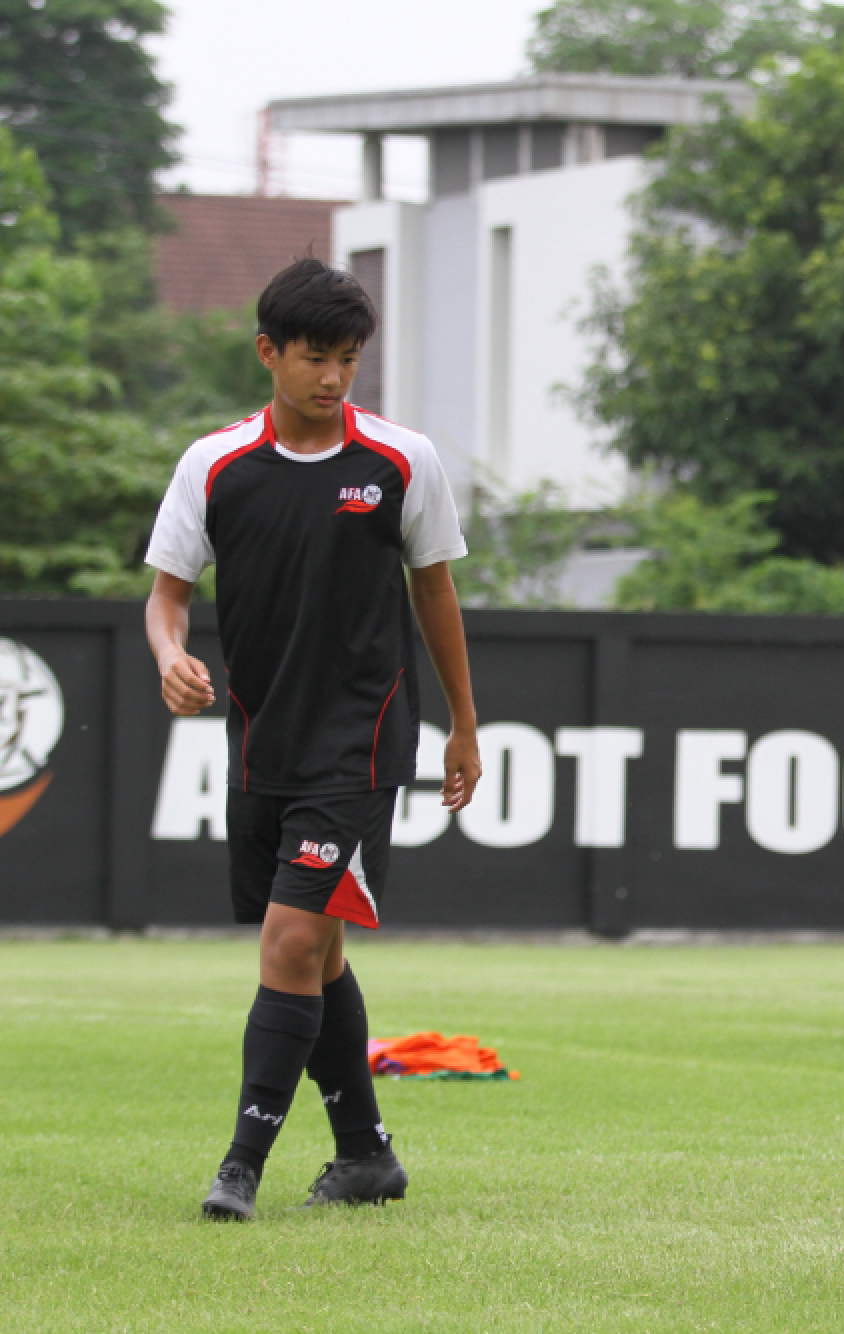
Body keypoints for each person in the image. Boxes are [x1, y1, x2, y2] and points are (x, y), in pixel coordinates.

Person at [143, 258, 481, 1221]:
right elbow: (167, 598)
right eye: (314, 358)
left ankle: (239, 1167)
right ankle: (367, 1155)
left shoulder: (401, 460)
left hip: (363, 743)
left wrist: (463, 722)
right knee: (316, 951)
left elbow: (434, 591)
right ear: (268, 354)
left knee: (291, 940)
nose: (333, 378)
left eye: (348, 359)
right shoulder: (213, 466)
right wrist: (170, 654)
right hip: (260, 746)